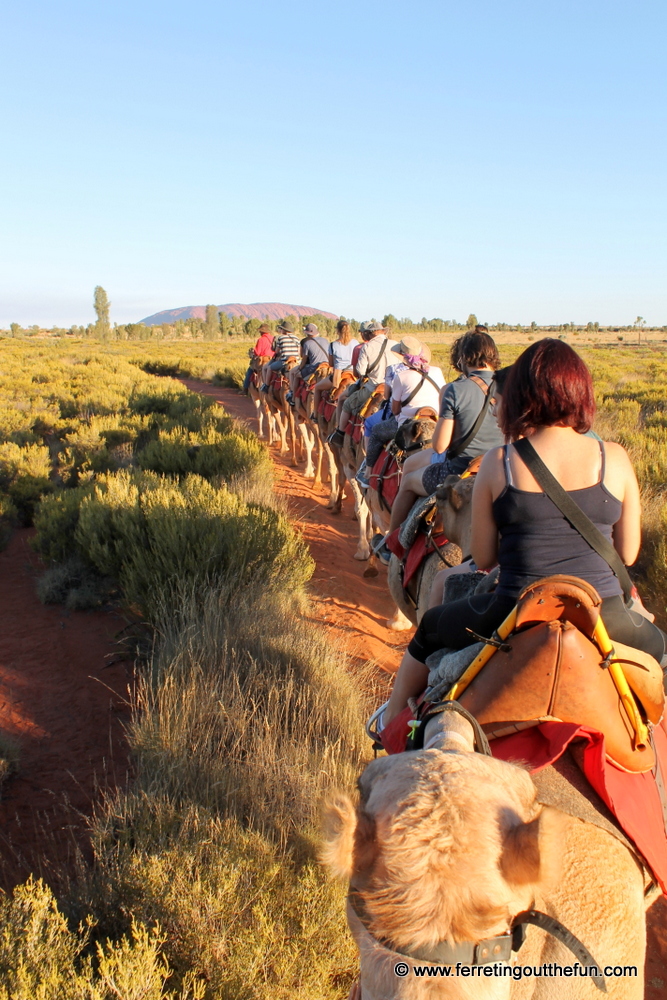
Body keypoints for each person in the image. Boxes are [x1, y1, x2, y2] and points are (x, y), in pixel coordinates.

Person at [382, 338, 667, 726]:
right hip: (604, 613)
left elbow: (483, 558)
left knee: (431, 628)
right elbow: (629, 553)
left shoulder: (500, 462)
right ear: (580, 391)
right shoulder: (614, 457)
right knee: (661, 652)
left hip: (513, 610)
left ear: (518, 396)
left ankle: (393, 724)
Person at [384, 329, 504, 539]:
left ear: (463, 357)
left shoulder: (454, 389)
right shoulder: (510, 386)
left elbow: (440, 446)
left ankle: (392, 542)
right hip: (500, 470)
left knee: (409, 481)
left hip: (459, 470)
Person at [357, 337, 445, 488]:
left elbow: (396, 409)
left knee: (377, 431)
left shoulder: (402, 376)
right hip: (435, 422)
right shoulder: (437, 371)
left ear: (404, 357)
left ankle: (368, 471)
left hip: (408, 426)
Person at [328, 322, 398, 447]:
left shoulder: (367, 347)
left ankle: (340, 433)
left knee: (347, 404)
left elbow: (360, 371)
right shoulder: (395, 345)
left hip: (373, 387)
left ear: (368, 333)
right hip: (395, 389)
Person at [311, 320, 359, 420]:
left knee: (318, 388)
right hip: (354, 374)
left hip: (339, 375)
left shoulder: (333, 345)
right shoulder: (355, 342)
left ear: (337, 330)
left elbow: (331, 364)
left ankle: (315, 415)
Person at [286, 323, 331, 403]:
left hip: (314, 368)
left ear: (307, 333)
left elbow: (304, 359)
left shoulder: (307, 343)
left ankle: (293, 397)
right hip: (327, 367)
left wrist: (299, 369)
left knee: (296, 375)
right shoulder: (325, 340)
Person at [260, 321, 301, 391]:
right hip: (296, 361)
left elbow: (276, 351)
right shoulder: (297, 338)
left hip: (285, 361)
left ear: (284, 330)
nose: (281, 330)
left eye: (281, 329)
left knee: (269, 368)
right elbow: (299, 351)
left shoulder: (281, 338)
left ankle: (266, 385)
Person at [242, 324, 275, 394]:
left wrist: (253, 352)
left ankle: (245, 388)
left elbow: (257, 352)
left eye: (260, 331)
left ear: (262, 332)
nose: (259, 333)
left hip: (262, 360)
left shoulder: (261, 339)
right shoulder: (273, 339)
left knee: (250, 370)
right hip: (273, 360)